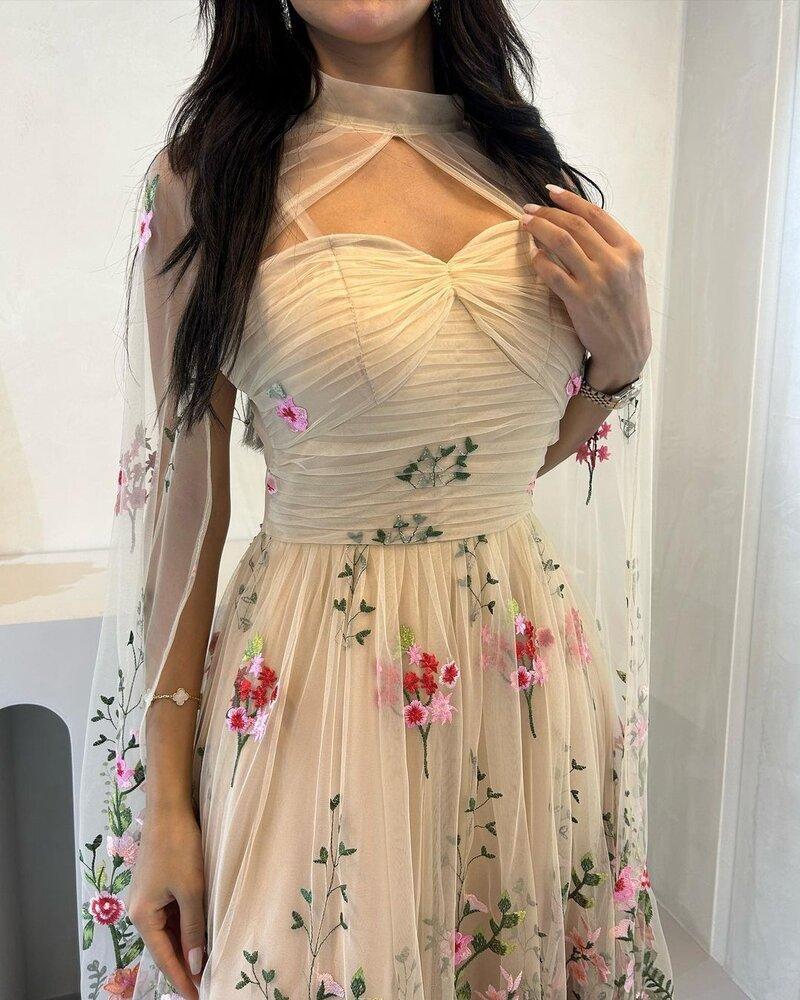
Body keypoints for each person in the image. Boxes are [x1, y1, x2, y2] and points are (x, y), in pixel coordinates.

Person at [79, 2, 674, 998]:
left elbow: (496, 463)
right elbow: (185, 502)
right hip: (315, 685)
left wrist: (620, 363)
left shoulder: (532, 179)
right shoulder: (207, 181)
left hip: (520, 673)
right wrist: (166, 801)